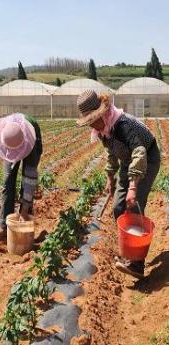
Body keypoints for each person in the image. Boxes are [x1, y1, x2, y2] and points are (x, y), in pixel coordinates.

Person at [76, 89, 160, 279]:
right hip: (127, 160)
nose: (92, 124)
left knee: (134, 205)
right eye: (88, 120)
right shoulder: (102, 129)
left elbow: (139, 152)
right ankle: (129, 249)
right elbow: (112, 152)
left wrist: (132, 187)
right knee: (118, 207)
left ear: (103, 113)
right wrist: (109, 177)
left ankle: (137, 264)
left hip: (147, 157)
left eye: (93, 119)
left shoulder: (121, 124)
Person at [0, 113, 43, 240]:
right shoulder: (0, 137)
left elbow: (29, 178)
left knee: (27, 184)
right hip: (12, 143)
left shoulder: (30, 142)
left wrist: (24, 210)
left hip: (30, 142)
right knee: (8, 181)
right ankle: (5, 228)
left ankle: (25, 221)